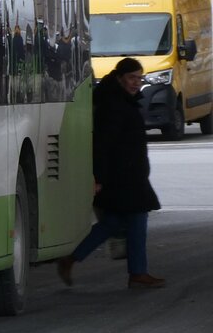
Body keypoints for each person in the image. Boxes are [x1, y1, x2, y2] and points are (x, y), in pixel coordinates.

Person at [56, 57, 165, 289]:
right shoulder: (115, 105)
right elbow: (104, 144)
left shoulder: (122, 100)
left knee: (114, 222)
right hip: (122, 176)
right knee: (137, 218)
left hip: (128, 174)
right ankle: (137, 272)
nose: (136, 83)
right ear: (119, 78)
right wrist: (100, 178)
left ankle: (71, 259)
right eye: (131, 78)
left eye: (139, 78)